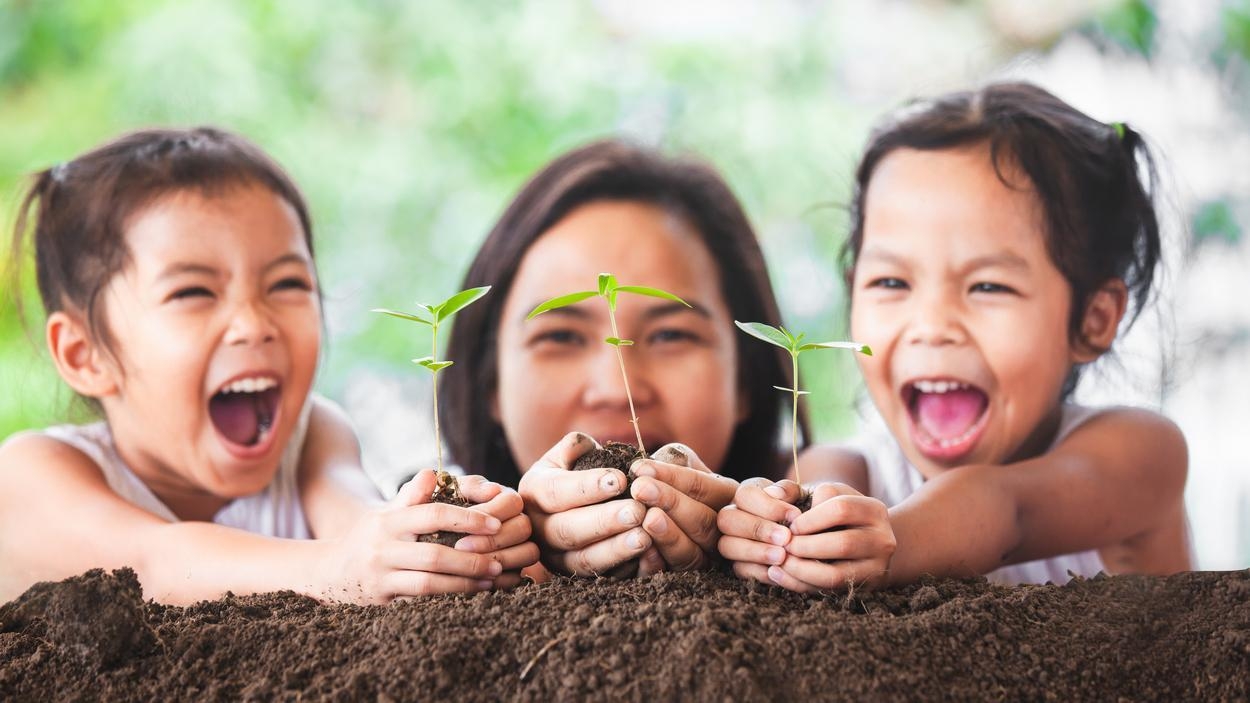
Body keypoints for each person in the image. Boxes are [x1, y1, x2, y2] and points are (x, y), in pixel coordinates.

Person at [0, 127, 537, 605]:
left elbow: (356, 520)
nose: (254, 324)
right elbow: (150, 563)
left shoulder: (312, 435)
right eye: (193, 291)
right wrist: (342, 566)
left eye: (287, 284)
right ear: (84, 354)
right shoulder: (33, 474)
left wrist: (449, 537)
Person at [719, 82, 1192, 591]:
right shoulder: (855, 467)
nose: (931, 326)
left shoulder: (1142, 455)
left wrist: (883, 542)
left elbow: (1006, 510)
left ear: (1093, 318)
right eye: (892, 282)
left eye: (988, 285)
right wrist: (794, 532)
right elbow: (820, 487)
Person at [441, 139, 805, 578]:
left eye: (671, 334)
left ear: (746, 378)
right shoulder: (420, 541)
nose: (617, 390)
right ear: (490, 384)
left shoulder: (819, 516)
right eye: (560, 336)